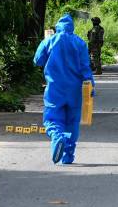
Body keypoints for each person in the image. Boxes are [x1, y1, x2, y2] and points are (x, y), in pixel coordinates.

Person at [34, 14, 95, 165]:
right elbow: (85, 68)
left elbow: (37, 60)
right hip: (75, 90)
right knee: (72, 122)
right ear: (72, 27)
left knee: (53, 119)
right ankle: (68, 156)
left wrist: (45, 44)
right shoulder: (80, 43)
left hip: (55, 88)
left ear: (57, 26)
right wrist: (90, 86)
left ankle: (57, 137)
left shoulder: (49, 40)